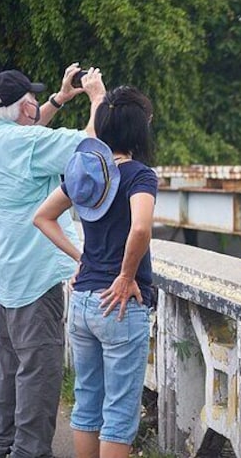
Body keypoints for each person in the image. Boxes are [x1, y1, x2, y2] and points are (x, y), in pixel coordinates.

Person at [0, 64, 105, 458]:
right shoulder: (26, 145)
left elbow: (27, 134)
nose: (35, 106)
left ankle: (3, 446)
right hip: (34, 275)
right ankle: (28, 452)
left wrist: (60, 98)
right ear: (21, 109)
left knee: (11, 366)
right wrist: (96, 98)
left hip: (2, 270)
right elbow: (90, 146)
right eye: (31, 101)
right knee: (39, 371)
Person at [34, 86, 158, 458]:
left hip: (84, 302)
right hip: (119, 305)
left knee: (87, 406)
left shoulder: (88, 170)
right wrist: (125, 275)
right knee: (119, 414)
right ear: (140, 131)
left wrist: (82, 259)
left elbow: (42, 217)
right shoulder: (140, 175)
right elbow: (140, 228)